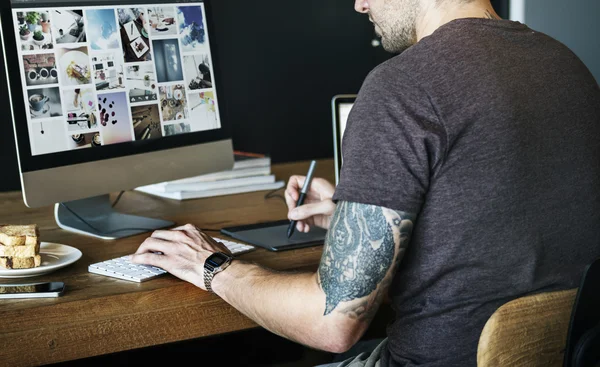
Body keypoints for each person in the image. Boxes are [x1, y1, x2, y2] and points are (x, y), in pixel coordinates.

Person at [131, 0, 600, 365]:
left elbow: (331, 323)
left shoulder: (403, 87)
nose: (358, 5)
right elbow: (509, 221)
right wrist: (359, 214)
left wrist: (213, 266)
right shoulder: (567, 67)